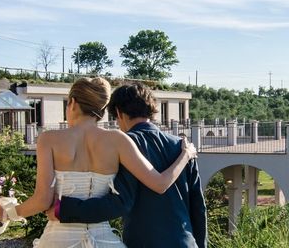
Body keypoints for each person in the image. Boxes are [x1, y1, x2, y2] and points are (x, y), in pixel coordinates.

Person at [0, 77, 197, 248]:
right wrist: (185, 156)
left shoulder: (49, 140)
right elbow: (160, 184)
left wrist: (9, 213)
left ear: (73, 103)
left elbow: (42, 200)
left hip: (58, 240)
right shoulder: (118, 140)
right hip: (103, 239)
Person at [47, 82, 207, 248]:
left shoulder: (125, 146)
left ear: (118, 113)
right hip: (186, 243)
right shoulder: (182, 146)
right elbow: (198, 207)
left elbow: (119, 203)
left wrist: (63, 209)